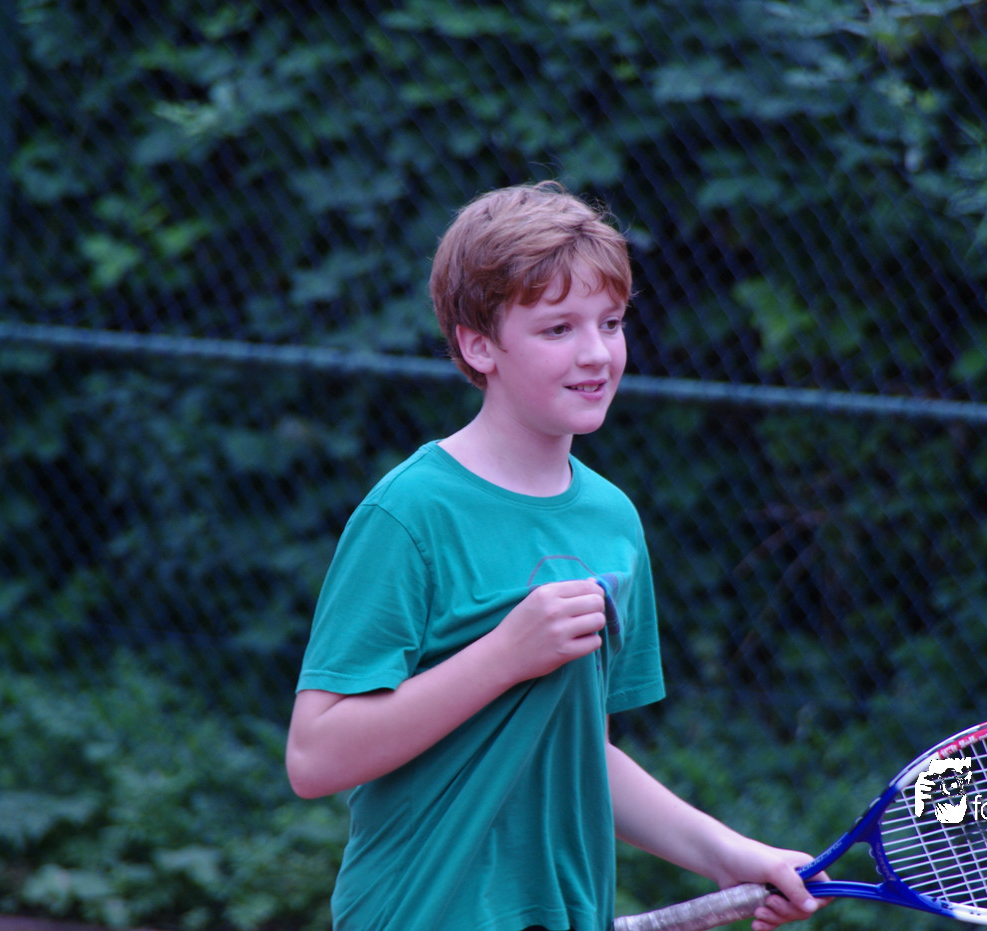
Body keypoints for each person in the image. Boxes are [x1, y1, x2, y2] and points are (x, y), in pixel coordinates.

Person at [286, 181, 826, 931]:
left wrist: (732, 854)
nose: (596, 353)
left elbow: (578, 754)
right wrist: (504, 655)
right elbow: (315, 758)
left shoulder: (612, 521)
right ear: (478, 345)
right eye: (557, 328)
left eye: (611, 322)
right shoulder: (410, 513)